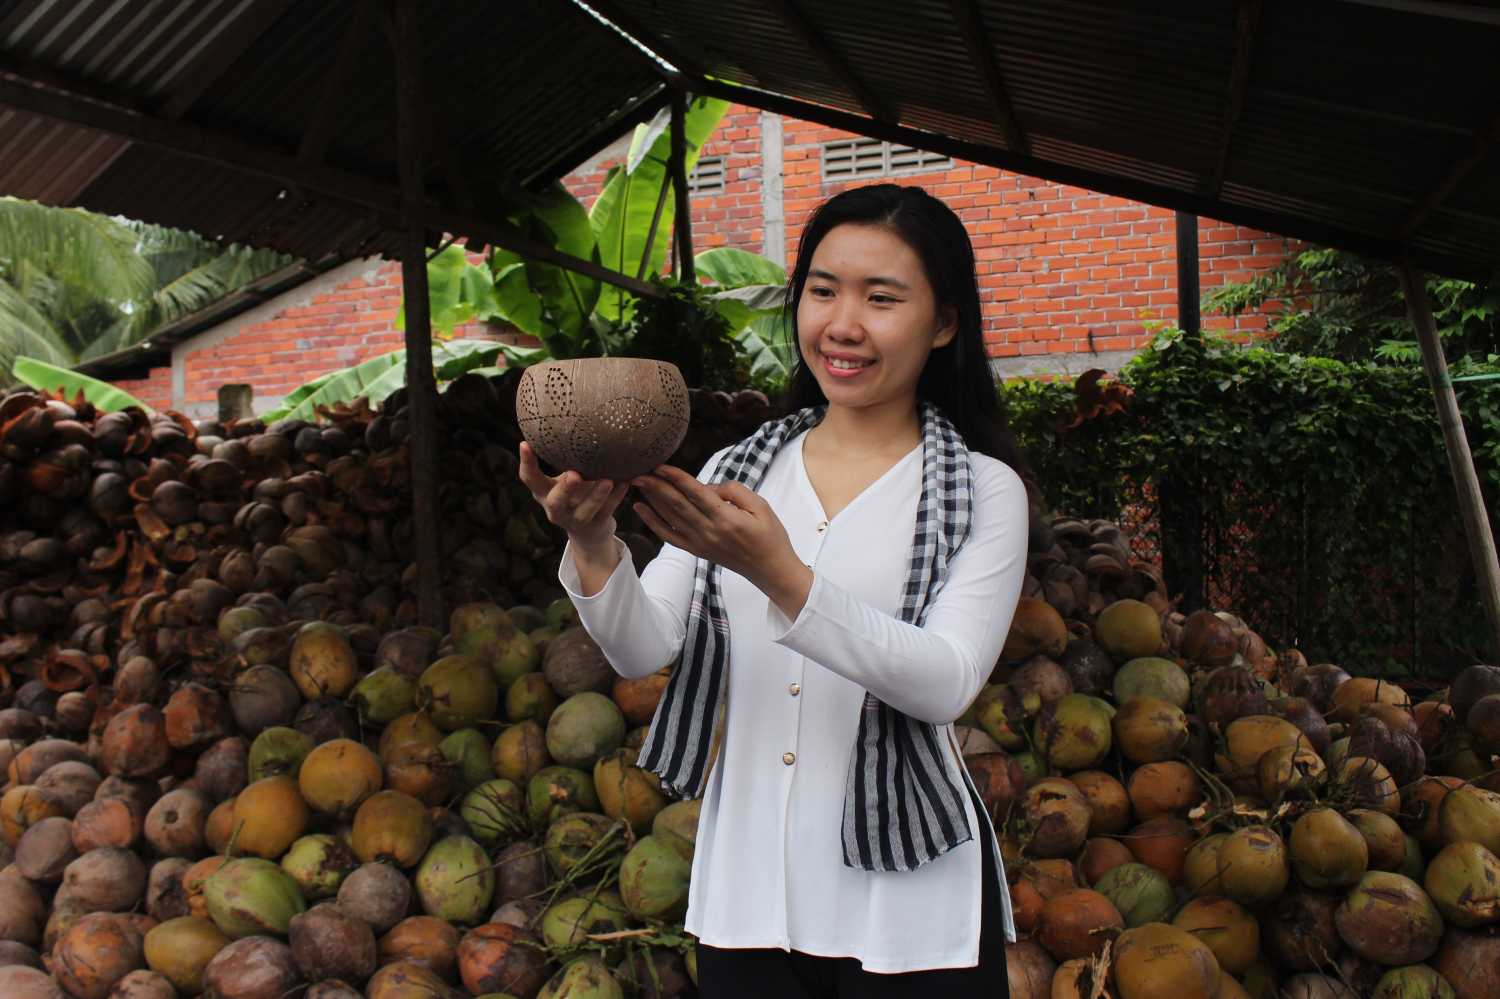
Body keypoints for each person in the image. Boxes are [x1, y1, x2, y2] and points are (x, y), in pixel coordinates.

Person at [519, 183, 1027, 997]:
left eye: (881, 297)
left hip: (910, 916)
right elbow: (644, 646)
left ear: (944, 322)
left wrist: (779, 573)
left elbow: (945, 681)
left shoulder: (983, 490)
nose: (843, 324)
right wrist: (591, 538)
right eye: (823, 291)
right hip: (749, 897)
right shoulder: (737, 471)